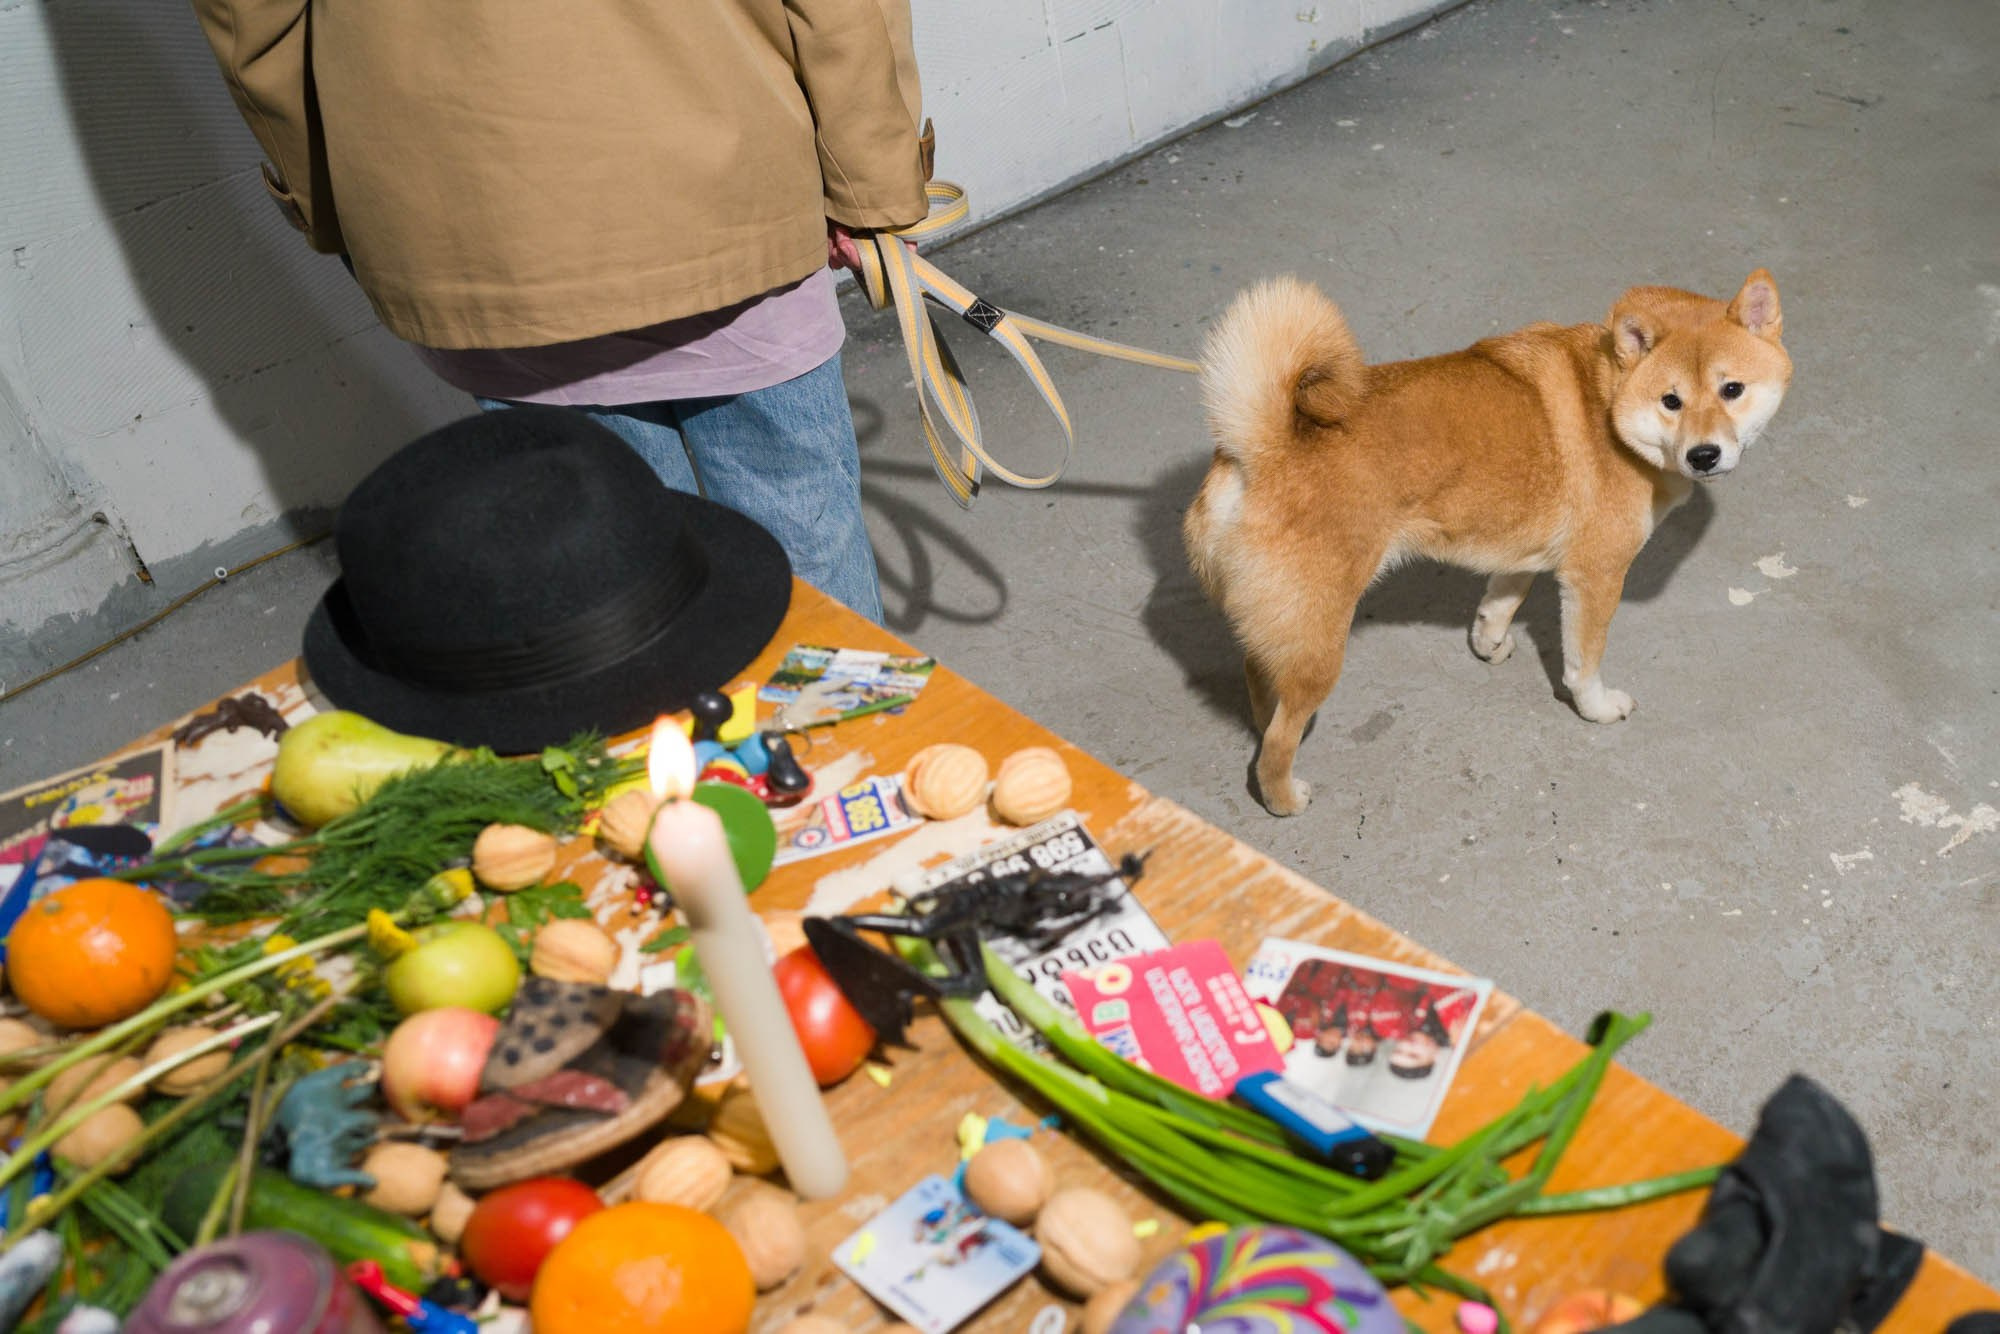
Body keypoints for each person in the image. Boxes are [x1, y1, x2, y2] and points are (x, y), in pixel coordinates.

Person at [191, 0, 936, 622]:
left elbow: (251, 20)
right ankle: (846, 763)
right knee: (800, 532)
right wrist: (872, 184)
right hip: (721, 169)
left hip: (471, 207)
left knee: (624, 565)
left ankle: (679, 789)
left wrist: (338, 201)